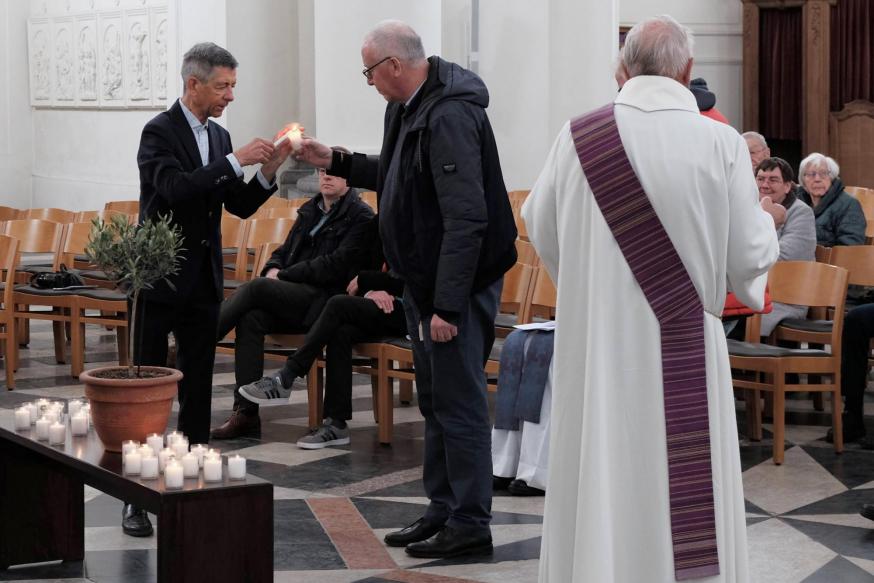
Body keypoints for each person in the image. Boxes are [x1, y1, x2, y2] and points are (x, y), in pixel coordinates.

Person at [523, 15, 779, 583]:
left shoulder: (578, 135)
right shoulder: (720, 142)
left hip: (598, 348)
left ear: (623, 68)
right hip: (685, 342)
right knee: (684, 490)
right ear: (687, 70)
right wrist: (764, 225)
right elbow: (748, 257)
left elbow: (538, 222)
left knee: (602, 466)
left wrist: (594, 288)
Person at [295, 20, 517, 559]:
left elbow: (467, 219)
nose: (367, 81)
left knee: (460, 404)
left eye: (369, 70)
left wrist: (447, 305)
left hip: (454, 290)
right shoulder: (407, 107)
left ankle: (471, 522)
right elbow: (395, 174)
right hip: (424, 282)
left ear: (394, 66)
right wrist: (337, 161)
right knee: (436, 402)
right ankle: (442, 509)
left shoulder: (451, 114)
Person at [131, 42, 291, 538]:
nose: (230, 96)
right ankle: (136, 496)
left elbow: (238, 206)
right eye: (223, 86)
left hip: (202, 281)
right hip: (159, 278)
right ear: (193, 83)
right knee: (148, 391)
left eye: (234, 86)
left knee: (198, 388)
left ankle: (193, 482)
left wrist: (269, 169)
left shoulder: (218, 134)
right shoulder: (158, 131)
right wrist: (233, 159)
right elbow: (176, 190)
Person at [210, 159, 374, 440]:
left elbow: (334, 266)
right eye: (323, 171)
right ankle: (246, 413)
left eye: (335, 172)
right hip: (295, 296)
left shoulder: (360, 215)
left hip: (321, 300)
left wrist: (282, 275)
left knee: (256, 288)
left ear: (350, 179)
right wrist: (274, 266)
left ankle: (199, 342)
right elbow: (284, 249)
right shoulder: (310, 210)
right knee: (251, 318)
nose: (327, 177)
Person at [236, 217, 408, 449]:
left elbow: (415, 278)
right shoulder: (377, 223)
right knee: (340, 330)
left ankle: (288, 376)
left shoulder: (417, 218)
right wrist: (371, 289)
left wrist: (373, 282)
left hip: (412, 309)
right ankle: (336, 424)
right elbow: (356, 271)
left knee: (338, 304)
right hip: (380, 306)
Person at [755, 157, 816, 336]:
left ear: (788, 186)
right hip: (749, 289)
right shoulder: (746, 209)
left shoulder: (801, 212)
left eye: (773, 180)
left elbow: (784, 258)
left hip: (784, 295)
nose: (765, 185)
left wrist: (767, 221)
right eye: (760, 179)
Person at [797, 152, 866, 247]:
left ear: (832, 178)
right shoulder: (797, 203)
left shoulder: (849, 205)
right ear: (803, 181)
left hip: (829, 261)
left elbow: (850, 248)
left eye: (823, 174)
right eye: (811, 174)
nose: (817, 179)